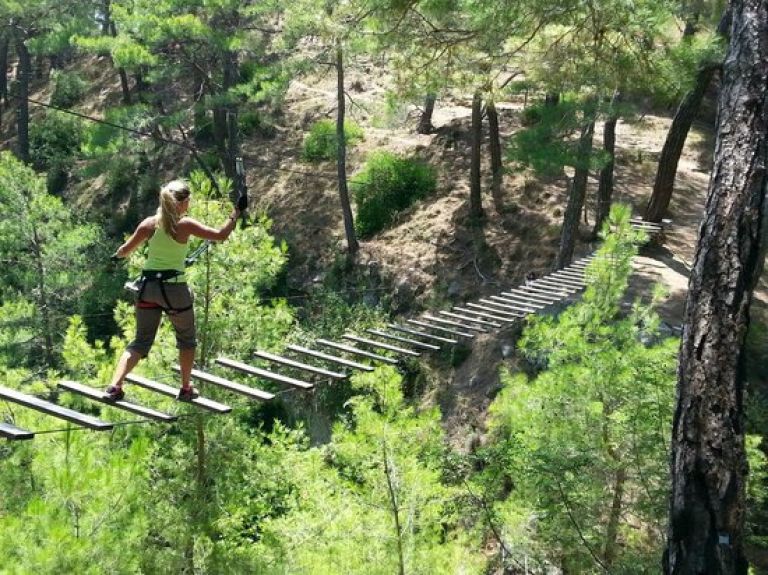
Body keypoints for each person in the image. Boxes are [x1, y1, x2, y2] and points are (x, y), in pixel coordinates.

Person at [105, 179, 246, 402]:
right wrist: (236, 213)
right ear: (183, 203)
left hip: (148, 288)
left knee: (140, 342)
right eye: (188, 201)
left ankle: (114, 385)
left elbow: (124, 250)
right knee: (187, 340)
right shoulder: (185, 225)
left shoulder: (149, 224)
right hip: (174, 290)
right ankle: (186, 388)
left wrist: (115, 257)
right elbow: (220, 235)